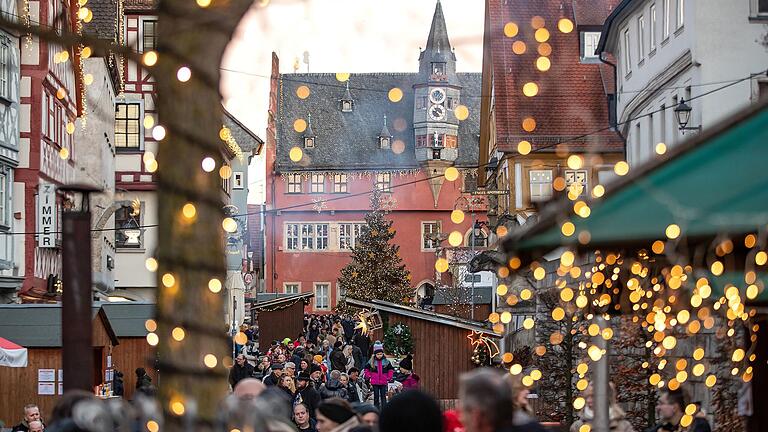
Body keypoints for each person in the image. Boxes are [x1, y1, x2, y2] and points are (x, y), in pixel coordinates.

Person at [459, 368, 545, 432]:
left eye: (463, 412)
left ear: (476, 416)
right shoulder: (533, 427)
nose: (461, 419)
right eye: (522, 388)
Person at [646, 389, 710, 432]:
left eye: (661, 403)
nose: (657, 407)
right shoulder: (665, 426)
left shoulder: (698, 426)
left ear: (674, 407)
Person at [363, 342, 394, 409]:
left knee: (383, 396)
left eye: (381, 354)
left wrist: (389, 377)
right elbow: (366, 369)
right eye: (378, 354)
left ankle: (384, 409)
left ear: (383, 354)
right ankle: (376, 409)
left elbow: (391, 369)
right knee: (376, 396)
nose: (379, 355)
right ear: (375, 354)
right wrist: (369, 376)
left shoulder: (386, 361)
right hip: (375, 381)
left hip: (383, 381)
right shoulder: (371, 361)